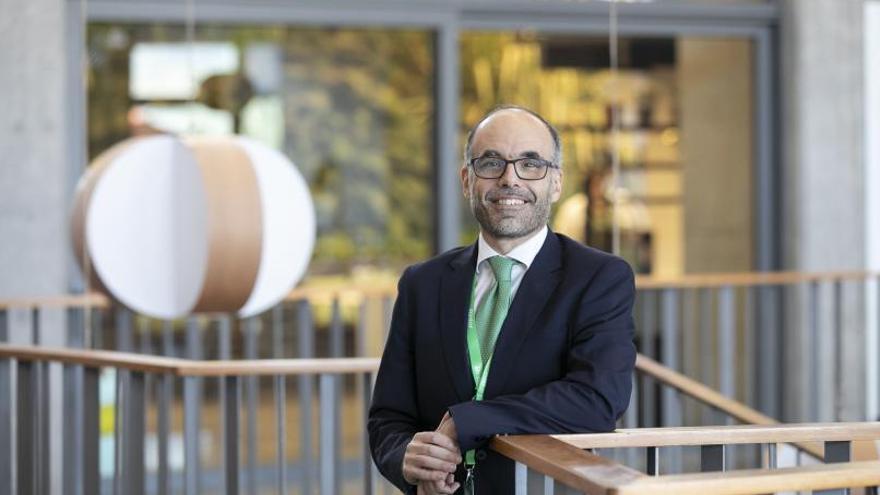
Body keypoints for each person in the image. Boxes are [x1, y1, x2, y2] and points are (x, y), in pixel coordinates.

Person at [368, 105, 636, 494]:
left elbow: (597, 399)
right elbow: (388, 418)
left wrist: (469, 421)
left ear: (556, 183)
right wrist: (408, 459)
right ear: (467, 179)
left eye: (531, 164)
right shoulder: (421, 284)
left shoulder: (598, 278)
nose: (510, 179)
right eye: (491, 162)